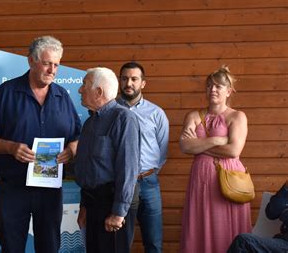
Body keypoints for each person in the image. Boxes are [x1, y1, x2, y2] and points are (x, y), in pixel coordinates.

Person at [0, 36, 81, 253]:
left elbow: (78, 137)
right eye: (47, 63)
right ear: (31, 61)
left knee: (50, 248)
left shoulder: (62, 96)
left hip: (50, 191)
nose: (52, 69)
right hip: (14, 189)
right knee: (12, 248)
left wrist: (72, 150)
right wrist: (10, 147)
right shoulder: (6, 93)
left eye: (56, 65)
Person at [179, 66, 251, 252]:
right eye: (209, 85)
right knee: (199, 224)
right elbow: (185, 146)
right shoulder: (193, 115)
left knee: (225, 226)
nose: (213, 90)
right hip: (201, 179)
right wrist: (215, 140)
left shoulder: (237, 116)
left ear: (229, 91)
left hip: (229, 177)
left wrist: (200, 146)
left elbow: (234, 150)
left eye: (218, 86)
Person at [74, 67, 140, 253]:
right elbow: (87, 167)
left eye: (84, 85)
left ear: (99, 92)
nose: (80, 90)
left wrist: (118, 213)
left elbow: (128, 169)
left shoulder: (124, 118)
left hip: (113, 204)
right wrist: (84, 206)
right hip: (93, 204)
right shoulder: (89, 123)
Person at [116, 61, 169, 253]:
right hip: (120, 184)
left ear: (143, 83)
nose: (128, 83)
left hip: (149, 184)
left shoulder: (156, 113)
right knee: (120, 244)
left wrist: (147, 173)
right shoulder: (111, 111)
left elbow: (162, 151)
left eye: (134, 79)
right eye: (124, 78)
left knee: (154, 243)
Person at [227, 180, 288, 252]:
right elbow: (271, 213)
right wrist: (285, 188)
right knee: (243, 243)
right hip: (282, 241)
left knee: (243, 241)